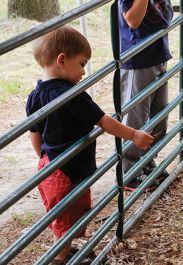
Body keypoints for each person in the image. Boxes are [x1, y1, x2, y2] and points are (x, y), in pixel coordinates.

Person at [26, 25, 154, 264]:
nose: (84, 72)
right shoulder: (72, 94)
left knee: (63, 217)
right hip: (68, 170)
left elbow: (35, 133)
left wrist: (45, 161)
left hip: (50, 166)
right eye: (82, 64)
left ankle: (63, 252)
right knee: (65, 220)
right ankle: (61, 259)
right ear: (62, 60)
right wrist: (133, 134)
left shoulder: (34, 96)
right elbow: (104, 120)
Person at [118, 0, 173, 192]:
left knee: (159, 114)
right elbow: (132, 20)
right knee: (136, 116)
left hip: (157, 53)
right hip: (138, 58)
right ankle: (130, 171)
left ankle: (146, 161)